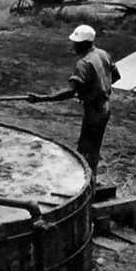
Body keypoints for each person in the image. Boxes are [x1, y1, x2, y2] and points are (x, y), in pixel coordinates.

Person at [28, 24, 121, 179]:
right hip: (105, 108)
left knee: (85, 151)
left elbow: (70, 91)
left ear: (83, 43)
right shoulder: (103, 54)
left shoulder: (83, 64)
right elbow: (116, 76)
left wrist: (41, 98)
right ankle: (91, 178)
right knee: (94, 147)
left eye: (76, 43)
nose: (73, 45)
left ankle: (85, 184)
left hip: (94, 111)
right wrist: (96, 89)